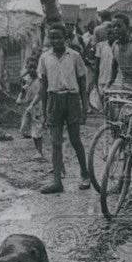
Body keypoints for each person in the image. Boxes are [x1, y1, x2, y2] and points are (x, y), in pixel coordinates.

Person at [38, 23, 92, 193]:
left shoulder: (75, 56)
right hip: (54, 100)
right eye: (52, 37)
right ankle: (57, 182)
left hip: (72, 100)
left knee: (75, 140)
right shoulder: (45, 58)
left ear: (66, 39)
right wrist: (44, 110)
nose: (55, 41)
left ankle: (85, 174)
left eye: (59, 37)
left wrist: (85, 106)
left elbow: (83, 82)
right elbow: (43, 85)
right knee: (55, 143)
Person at [108, 13, 132, 91]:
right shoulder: (115, 45)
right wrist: (109, 84)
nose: (116, 29)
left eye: (119, 26)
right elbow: (114, 67)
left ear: (127, 28)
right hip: (124, 86)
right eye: (114, 26)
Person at [17, 56, 45, 159]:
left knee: (38, 128)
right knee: (31, 129)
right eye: (30, 67)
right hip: (28, 106)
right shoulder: (25, 79)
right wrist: (20, 98)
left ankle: (39, 151)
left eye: (34, 67)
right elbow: (22, 92)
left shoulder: (40, 78)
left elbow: (42, 92)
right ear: (27, 67)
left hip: (38, 105)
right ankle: (37, 150)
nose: (32, 70)